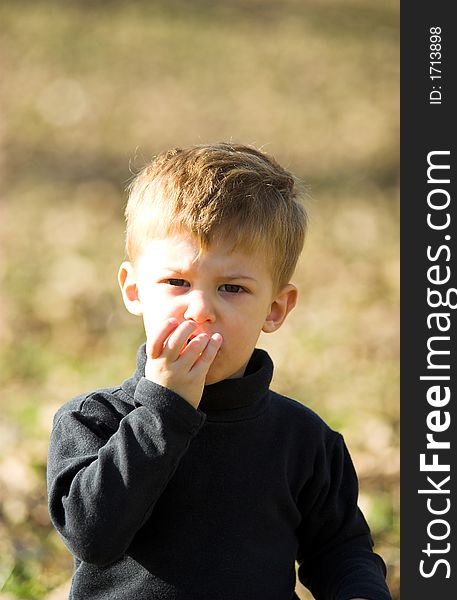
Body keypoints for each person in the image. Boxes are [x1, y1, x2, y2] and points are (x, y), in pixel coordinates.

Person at [47, 142, 392, 600]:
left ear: (274, 309)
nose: (201, 309)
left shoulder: (303, 439)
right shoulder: (93, 422)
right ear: (133, 290)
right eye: (177, 282)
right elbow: (92, 537)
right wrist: (163, 411)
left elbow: (339, 550)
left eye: (232, 287)